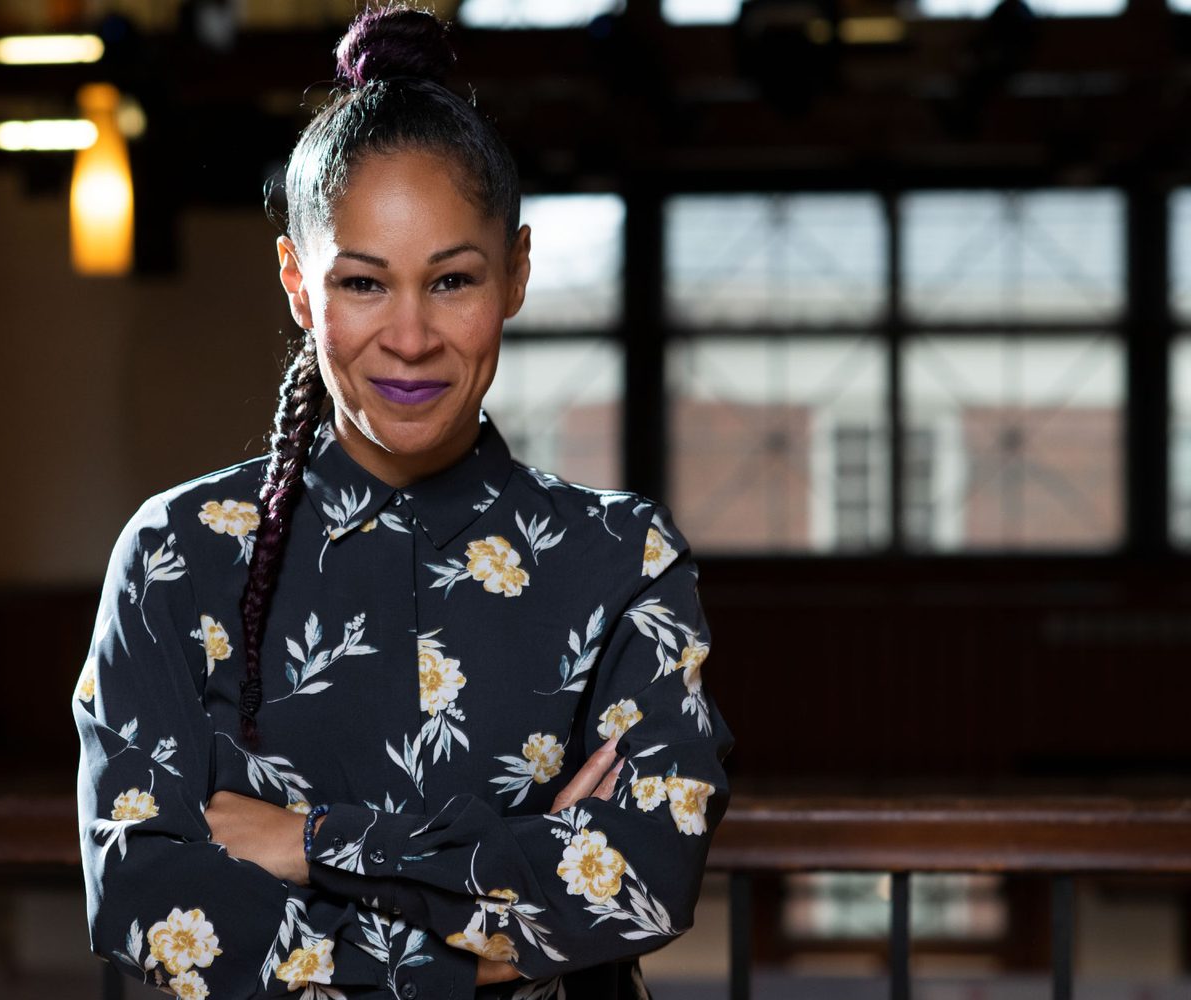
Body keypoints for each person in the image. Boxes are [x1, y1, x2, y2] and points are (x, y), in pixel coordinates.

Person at [73, 5, 733, 997]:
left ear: (514, 271)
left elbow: (638, 881)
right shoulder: (177, 554)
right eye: (364, 284)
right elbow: (145, 893)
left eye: (453, 279)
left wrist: (304, 841)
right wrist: (499, 913)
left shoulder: (621, 557)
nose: (413, 338)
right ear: (299, 285)